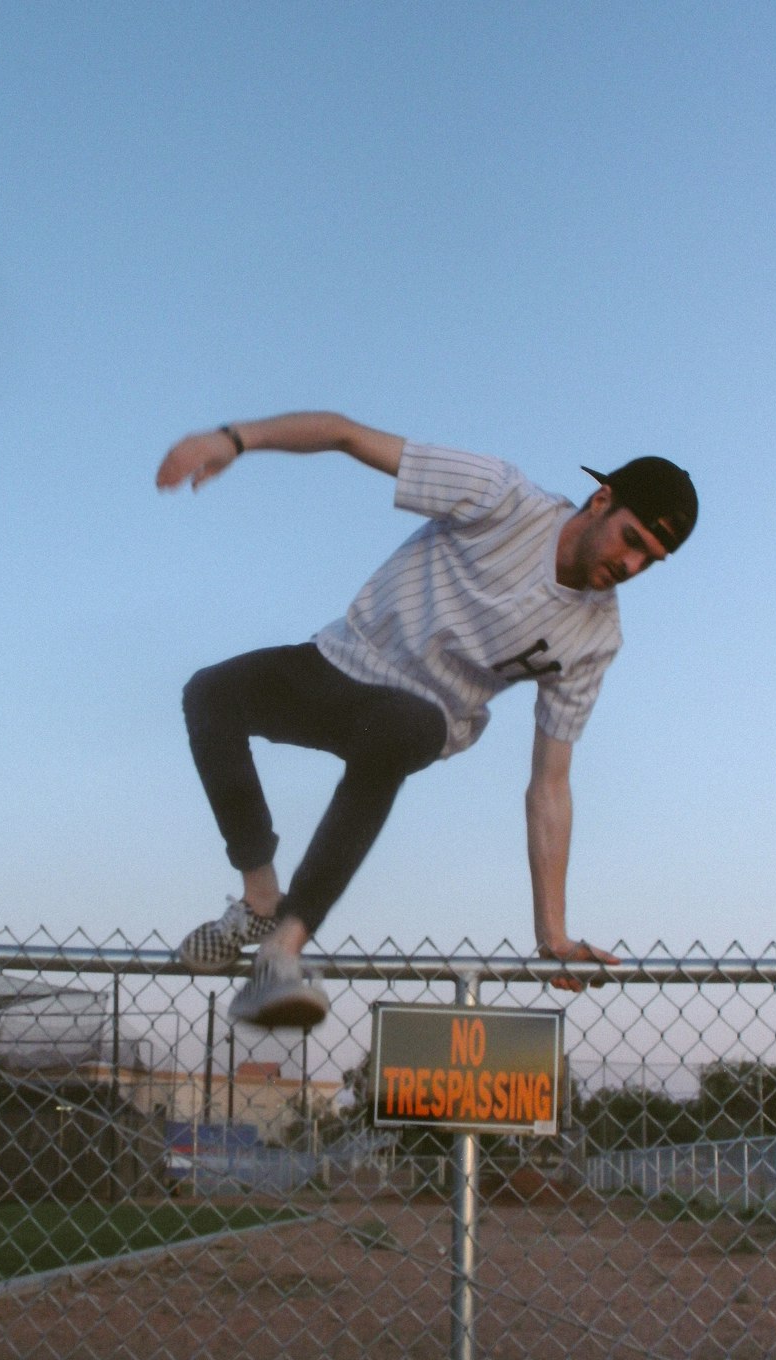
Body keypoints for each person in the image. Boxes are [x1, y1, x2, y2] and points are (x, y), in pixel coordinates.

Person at [156, 412, 697, 1030]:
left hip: (422, 716)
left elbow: (551, 782)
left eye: (649, 562)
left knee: (402, 727)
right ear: (602, 501)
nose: (631, 567)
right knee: (210, 696)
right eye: (632, 541)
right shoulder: (502, 497)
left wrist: (554, 934)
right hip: (339, 661)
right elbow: (344, 435)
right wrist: (231, 440)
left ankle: (282, 950)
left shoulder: (595, 635)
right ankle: (259, 900)